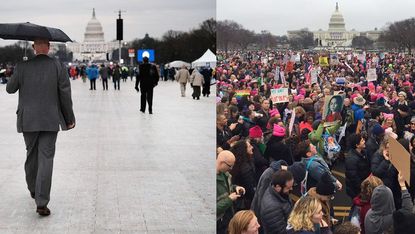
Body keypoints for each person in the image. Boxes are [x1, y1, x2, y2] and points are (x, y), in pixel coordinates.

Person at [6, 38, 76, 216]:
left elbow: (10, 89)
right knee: (46, 158)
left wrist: (17, 70)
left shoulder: (23, 66)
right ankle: (42, 201)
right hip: (50, 119)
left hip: (28, 119)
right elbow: (65, 93)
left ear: (33, 47)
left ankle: (32, 188)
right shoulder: (58, 66)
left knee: (31, 155)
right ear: (49, 47)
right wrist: (69, 118)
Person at [217, 150, 246, 234]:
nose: (231, 169)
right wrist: (229, 199)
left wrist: (235, 187)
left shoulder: (224, 174)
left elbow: (227, 187)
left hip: (227, 219)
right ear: (222, 163)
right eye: (230, 166)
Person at [345, 133, 371, 200]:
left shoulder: (364, 152)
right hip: (356, 190)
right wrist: (363, 188)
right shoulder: (351, 159)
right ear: (357, 145)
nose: (364, 141)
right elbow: (353, 178)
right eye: (362, 141)